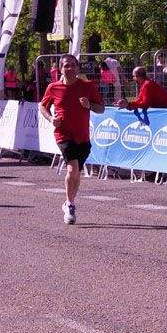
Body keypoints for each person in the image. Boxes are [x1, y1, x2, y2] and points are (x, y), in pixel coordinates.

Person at [40, 54, 103, 225]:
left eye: (73, 65)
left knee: (76, 172)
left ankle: (69, 202)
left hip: (82, 136)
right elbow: (43, 106)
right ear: (60, 69)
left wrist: (90, 105)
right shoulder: (53, 87)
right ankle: (70, 204)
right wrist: (51, 118)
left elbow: (101, 109)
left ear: (77, 68)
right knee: (72, 168)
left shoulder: (87, 86)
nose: (70, 68)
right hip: (63, 134)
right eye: (66, 66)